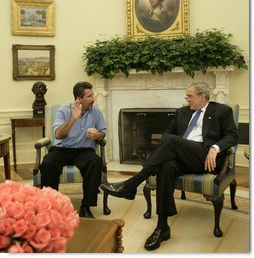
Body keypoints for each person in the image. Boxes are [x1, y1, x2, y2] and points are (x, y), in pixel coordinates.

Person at [101, 81, 238, 251]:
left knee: (172, 141)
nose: (187, 99)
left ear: (202, 96)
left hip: (205, 158)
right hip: (183, 157)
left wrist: (215, 148)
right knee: (166, 167)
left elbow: (232, 136)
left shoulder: (221, 111)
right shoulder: (182, 112)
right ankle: (162, 227)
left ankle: (131, 184)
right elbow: (167, 133)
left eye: (190, 96)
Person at [40, 81, 106, 218]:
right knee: (47, 163)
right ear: (78, 99)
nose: (93, 99)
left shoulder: (96, 111)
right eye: (89, 96)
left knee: (95, 162)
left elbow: (103, 132)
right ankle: (52, 206)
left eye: (92, 95)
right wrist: (73, 119)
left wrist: (98, 135)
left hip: (84, 150)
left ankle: (86, 206)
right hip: (62, 150)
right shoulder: (63, 111)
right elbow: (58, 134)